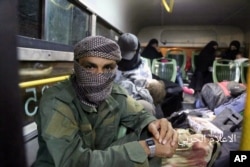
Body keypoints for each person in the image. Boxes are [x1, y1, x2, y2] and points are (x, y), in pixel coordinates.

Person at [33, 36, 178, 167]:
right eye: (90, 67)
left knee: (152, 136)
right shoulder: (56, 101)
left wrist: (155, 124)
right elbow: (74, 162)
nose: (99, 76)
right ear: (77, 67)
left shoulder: (114, 92)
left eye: (107, 67)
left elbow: (140, 115)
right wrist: (146, 148)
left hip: (99, 157)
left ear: (115, 69)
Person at [116, 33, 183, 118]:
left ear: (137, 50)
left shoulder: (142, 62)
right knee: (154, 111)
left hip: (144, 85)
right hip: (129, 92)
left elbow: (146, 80)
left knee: (175, 90)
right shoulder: (112, 63)